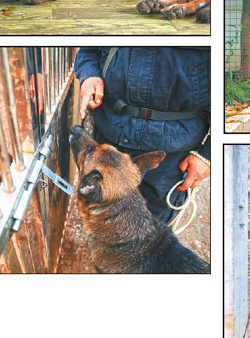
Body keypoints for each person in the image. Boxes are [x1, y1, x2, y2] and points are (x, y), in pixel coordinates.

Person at [73, 47, 210, 223]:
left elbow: (229, 87)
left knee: (152, 229)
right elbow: (89, 47)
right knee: (98, 212)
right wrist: (90, 74)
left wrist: (207, 155)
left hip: (171, 150)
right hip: (110, 129)